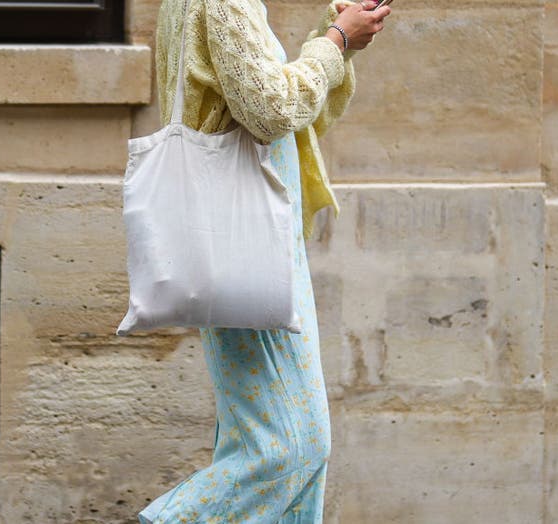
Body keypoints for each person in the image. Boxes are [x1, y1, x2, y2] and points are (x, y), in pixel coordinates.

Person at [137, 0, 390, 522]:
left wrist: (333, 37)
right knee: (288, 449)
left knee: (285, 445)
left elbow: (270, 104)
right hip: (244, 245)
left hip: (249, 242)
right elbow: (272, 111)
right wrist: (336, 41)